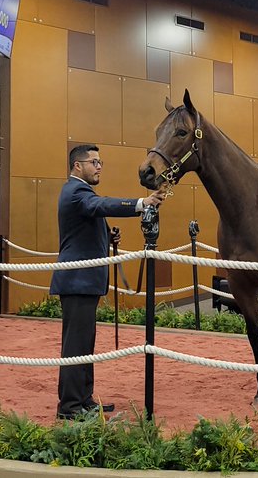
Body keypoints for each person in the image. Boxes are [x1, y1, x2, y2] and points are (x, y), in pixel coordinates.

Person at [51, 144, 164, 419]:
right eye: (94, 162)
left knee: (84, 345)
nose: (99, 166)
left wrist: (106, 238)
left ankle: (84, 399)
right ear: (78, 166)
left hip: (84, 281)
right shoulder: (76, 191)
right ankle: (69, 407)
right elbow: (99, 206)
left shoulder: (80, 192)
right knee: (75, 348)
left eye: (100, 162)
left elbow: (91, 216)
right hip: (78, 281)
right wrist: (142, 203)